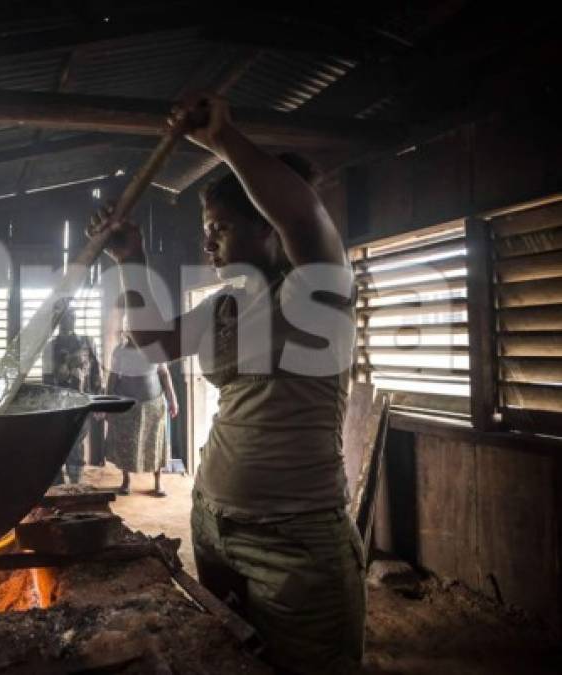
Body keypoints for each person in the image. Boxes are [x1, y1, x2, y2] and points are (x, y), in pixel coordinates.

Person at [86, 94, 363, 674]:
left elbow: (304, 216)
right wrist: (129, 260)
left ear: (267, 230)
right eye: (206, 230)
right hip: (212, 522)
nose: (208, 243)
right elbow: (154, 343)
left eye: (220, 228)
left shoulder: (318, 291)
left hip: (294, 540)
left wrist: (223, 141)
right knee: (230, 660)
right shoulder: (227, 306)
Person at [104, 324, 178, 497]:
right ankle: (126, 480)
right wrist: (108, 402)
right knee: (126, 442)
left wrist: (172, 399)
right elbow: (113, 377)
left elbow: (164, 374)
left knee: (156, 443)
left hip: (153, 404)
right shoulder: (120, 351)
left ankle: (158, 482)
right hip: (127, 404)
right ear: (128, 332)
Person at [42, 308, 101, 484]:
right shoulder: (50, 347)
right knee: (58, 441)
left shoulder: (87, 342)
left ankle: (75, 481)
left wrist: (99, 401)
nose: (69, 320)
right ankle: (58, 481)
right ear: (57, 320)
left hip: (82, 400)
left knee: (75, 441)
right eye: (64, 317)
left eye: (72, 316)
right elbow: (46, 379)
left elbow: (97, 372)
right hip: (58, 403)